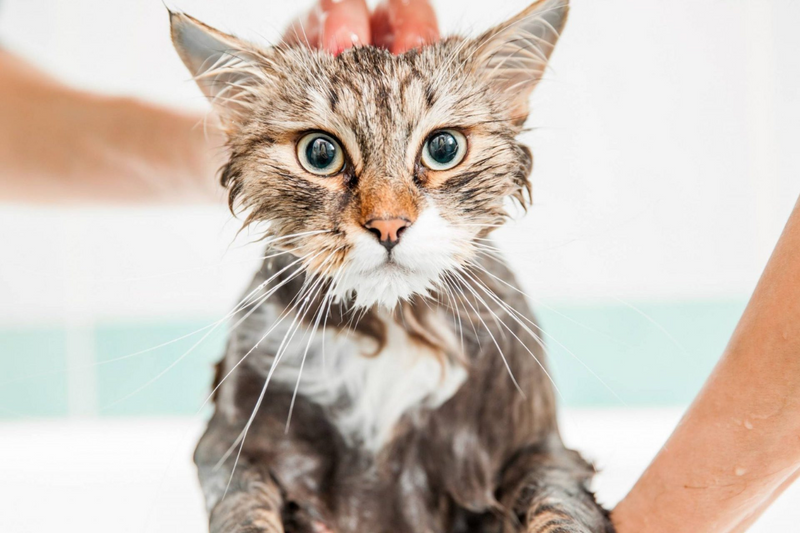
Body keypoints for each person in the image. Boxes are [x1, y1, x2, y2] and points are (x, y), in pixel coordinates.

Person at [2, 0, 798, 531]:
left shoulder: (501, 322)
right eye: (324, 155)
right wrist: (252, 134)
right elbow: (235, 454)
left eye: (440, 150)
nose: (387, 214)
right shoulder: (269, 324)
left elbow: (534, 458)